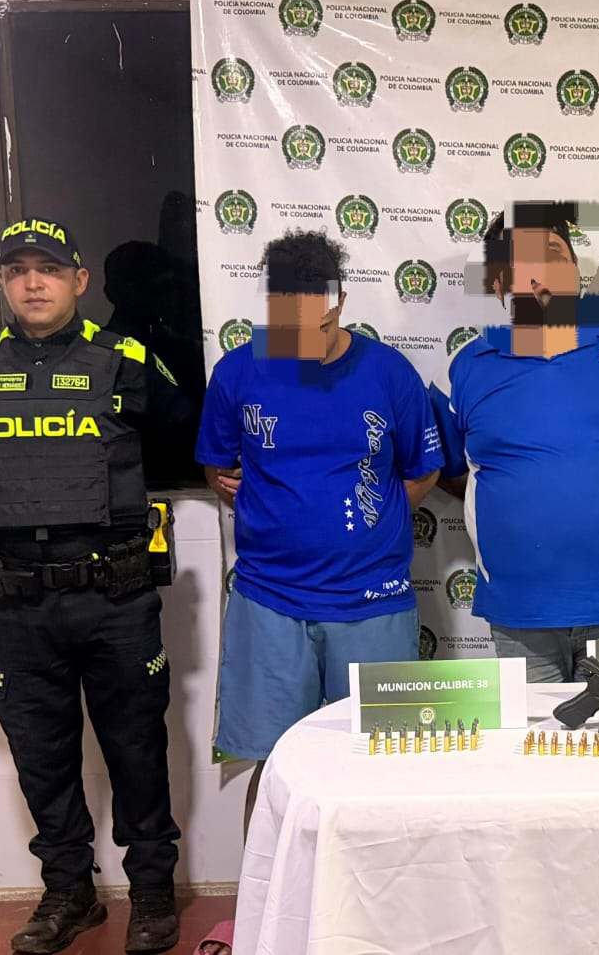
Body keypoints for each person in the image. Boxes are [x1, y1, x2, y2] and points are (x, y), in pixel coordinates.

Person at [0, 217, 192, 954]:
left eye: (47, 269)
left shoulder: (125, 359)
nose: (32, 282)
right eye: (17, 270)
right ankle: (69, 893)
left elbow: (191, 435)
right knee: (41, 758)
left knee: (137, 750)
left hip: (116, 595)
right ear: (3, 283)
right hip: (14, 602)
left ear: (79, 280)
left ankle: (152, 892)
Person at [196, 230, 442, 817]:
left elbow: (423, 471)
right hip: (269, 601)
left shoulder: (388, 372)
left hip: (374, 603)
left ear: (341, 303)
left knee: (382, 769)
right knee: (274, 770)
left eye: (320, 327)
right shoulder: (238, 371)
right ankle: (267, 880)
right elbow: (217, 468)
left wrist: (368, 524)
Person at [428, 202, 599, 682]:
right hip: (518, 613)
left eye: (552, 254)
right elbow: (440, 468)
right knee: (532, 734)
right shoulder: (463, 369)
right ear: (498, 284)